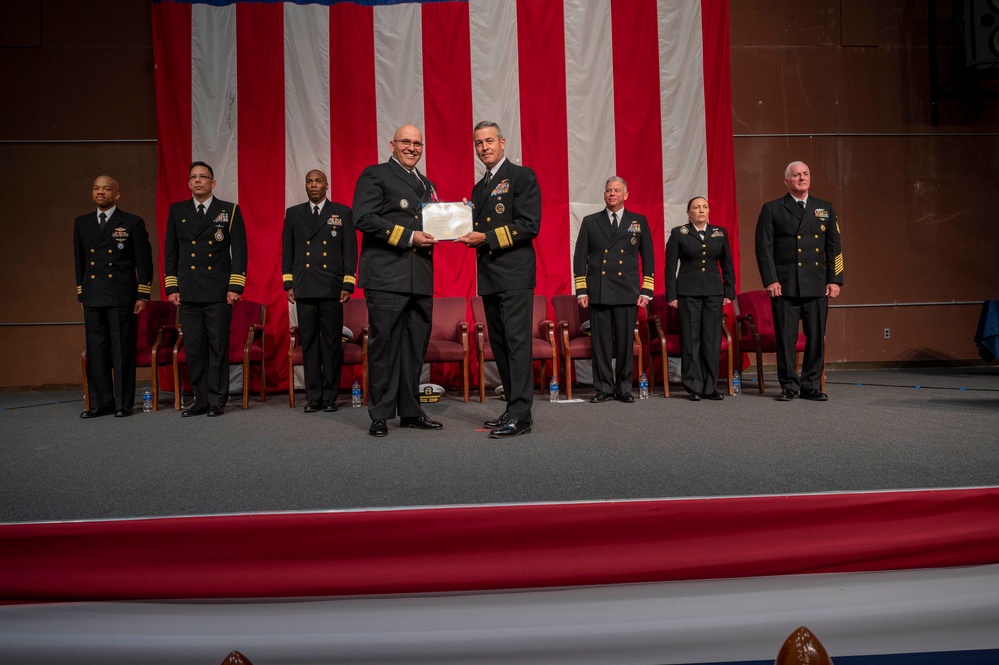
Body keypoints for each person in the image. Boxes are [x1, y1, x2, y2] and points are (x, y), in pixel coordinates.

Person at [352, 125, 442, 437]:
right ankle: (379, 414)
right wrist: (408, 236)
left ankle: (411, 411)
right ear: (392, 144)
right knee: (383, 347)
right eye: (406, 141)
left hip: (420, 278)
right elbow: (362, 217)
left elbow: (434, 224)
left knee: (414, 349)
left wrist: (452, 223)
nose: (412, 147)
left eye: (417, 143)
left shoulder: (427, 184)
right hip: (387, 275)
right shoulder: (375, 175)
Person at [458, 121, 541, 438]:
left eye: (489, 141)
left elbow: (529, 225)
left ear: (503, 142)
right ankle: (511, 408)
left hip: (515, 274)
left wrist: (485, 237)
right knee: (503, 345)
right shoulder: (479, 188)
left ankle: (521, 415)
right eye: (478, 143)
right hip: (490, 276)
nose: (484, 147)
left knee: (518, 344)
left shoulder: (522, 176)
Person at [164, 161, 248, 417]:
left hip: (218, 291)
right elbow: (171, 251)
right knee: (194, 347)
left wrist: (235, 286)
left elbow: (240, 252)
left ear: (213, 183)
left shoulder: (229, 211)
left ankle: (217, 400)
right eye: (193, 177)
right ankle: (199, 399)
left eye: (203, 177)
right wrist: (172, 285)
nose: (198, 181)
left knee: (217, 347)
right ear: (189, 183)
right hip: (188, 291)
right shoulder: (178, 211)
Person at [755, 161, 843, 401]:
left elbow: (834, 247)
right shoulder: (773, 209)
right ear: (787, 181)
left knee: (816, 337)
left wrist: (835, 280)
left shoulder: (824, 208)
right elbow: (764, 249)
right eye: (796, 175)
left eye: (805, 174)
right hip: (785, 285)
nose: (802, 178)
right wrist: (770, 280)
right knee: (786, 338)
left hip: (816, 284)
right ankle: (789, 386)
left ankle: (811, 385)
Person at [74, 175, 153, 418]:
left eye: (106, 189)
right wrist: (82, 294)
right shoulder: (82, 223)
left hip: (121, 296)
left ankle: (123, 403)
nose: (100, 192)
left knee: (122, 351)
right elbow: (80, 262)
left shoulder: (131, 222)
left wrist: (143, 294)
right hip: (94, 295)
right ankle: (101, 403)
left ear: (116, 195)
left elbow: (144, 262)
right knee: (96, 352)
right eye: (96, 188)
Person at [573, 177, 654, 403]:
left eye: (617, 191)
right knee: (601, 344)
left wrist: (646, 289)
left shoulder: (638, 221)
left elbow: (648, 257)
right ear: (604, 194)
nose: (612, 194)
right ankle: (603, 388)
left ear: (626, 194)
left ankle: (624, 388)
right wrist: (581, 290)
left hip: (627, 291)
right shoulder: (591, 222)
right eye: (609, 190)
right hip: (598, 291)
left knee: (625, 343)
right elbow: (580, 257)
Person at [282, 169, 357, 413]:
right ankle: (313, 396)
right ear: (305, 185)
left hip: (332, 288)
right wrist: (289, 283)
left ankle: (330, 396)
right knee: (310, 343)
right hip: (304, 287)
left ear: (327, 185)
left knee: (332, 343)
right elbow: (288, 251)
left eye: (318, 181)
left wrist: (348, 283)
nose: (313, 185)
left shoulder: (342, 212)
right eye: (309, 181)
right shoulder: (294, 214)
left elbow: (349, 250)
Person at [665, 196, 735, 401]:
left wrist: (729, 292)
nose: (701, 210)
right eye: (696, 207)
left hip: (714, 293)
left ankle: (710, 386)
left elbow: (728, 265)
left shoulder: (719, 233)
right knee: (691, 340)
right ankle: (693, 386)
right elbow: (670, 268)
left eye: (704, 207)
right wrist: (672, 295)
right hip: (688, 293)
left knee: (711, 340)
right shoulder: (679, 233)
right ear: (688, 212)